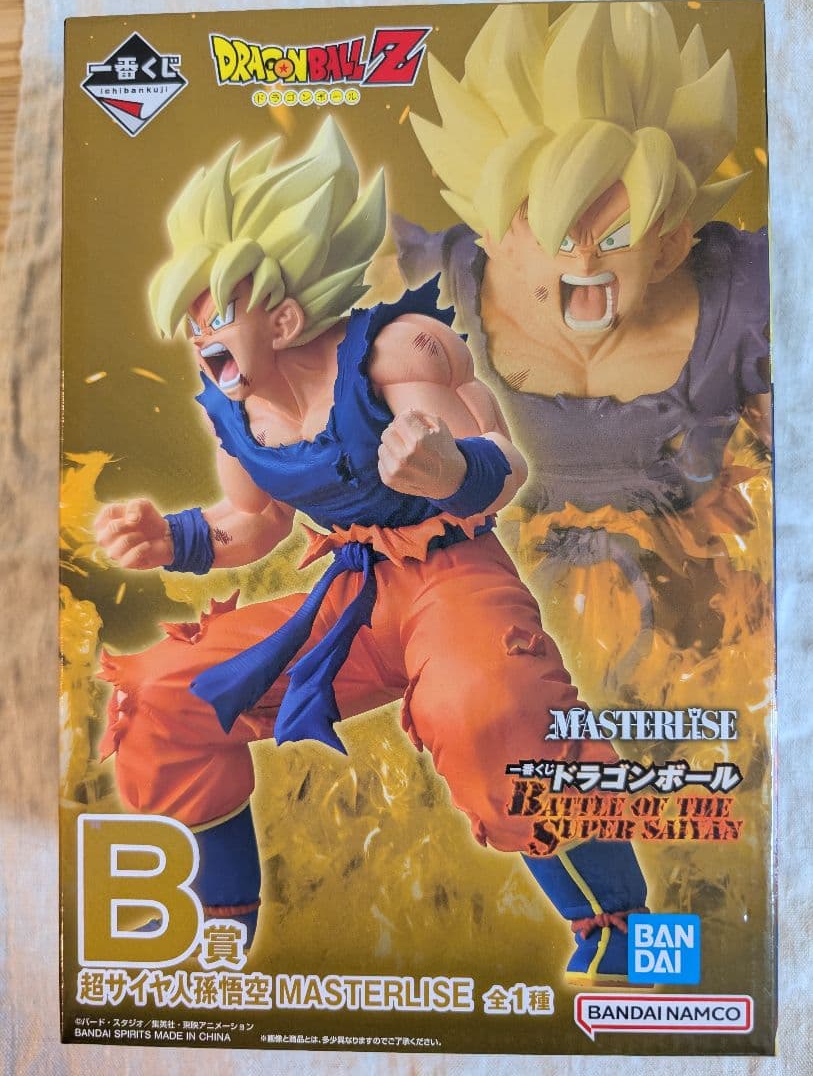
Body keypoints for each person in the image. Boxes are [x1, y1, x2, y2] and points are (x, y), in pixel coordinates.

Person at [95, 117, 650, 986]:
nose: (201, 340)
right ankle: (217, 929)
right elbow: (254, 525)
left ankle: (618, 925)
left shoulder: (394, 355)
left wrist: (447, 470)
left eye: (217, 316)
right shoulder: (235, 410)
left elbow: (500, 466)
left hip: (453, 579)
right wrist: (173, 537)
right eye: (192, 323)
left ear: (283, 315)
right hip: (353, 596)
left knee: (490, 712)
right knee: (165, 694)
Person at [403, 1, 771, 693]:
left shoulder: (748, 290)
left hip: (699, 631)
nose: (584, 257)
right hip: (495, 623)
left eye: (615, 234)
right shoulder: (427, 283)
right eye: (556, 232)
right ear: (498, 239)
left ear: (670, 243)